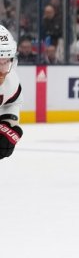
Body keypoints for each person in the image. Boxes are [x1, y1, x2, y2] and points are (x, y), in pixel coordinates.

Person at [0, 25, 23, 160]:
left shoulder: (11, 81)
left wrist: (9, 123)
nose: (3, 70)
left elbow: (14, 101)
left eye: (6, 62)